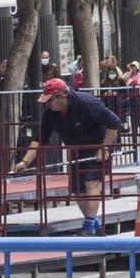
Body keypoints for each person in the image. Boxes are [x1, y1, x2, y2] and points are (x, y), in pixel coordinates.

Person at [14, 78, 123, 232]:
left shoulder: (86, 103)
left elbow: (114, 122)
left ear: (63, 95)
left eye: (50, 100)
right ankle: (94, 223)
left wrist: (104, 148)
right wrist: (24, 162)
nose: (48, 104)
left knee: (91, 183)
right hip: (75, 149)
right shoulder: (50, 114)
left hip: (96, 146)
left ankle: (89, 226)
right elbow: (39, 140)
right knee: (78, 191)